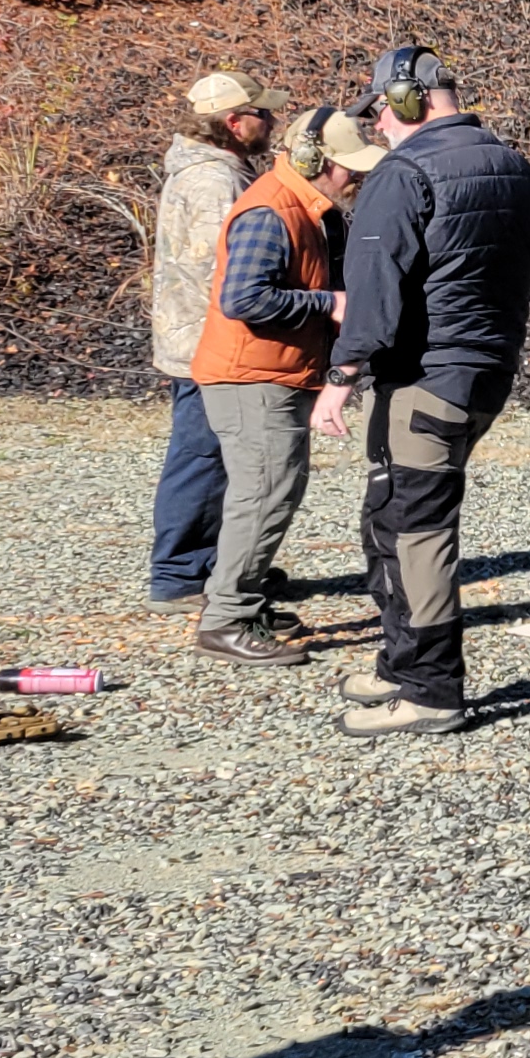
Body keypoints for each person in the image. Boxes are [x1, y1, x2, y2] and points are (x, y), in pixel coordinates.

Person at [316, 48, 530, 737]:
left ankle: (429, 689)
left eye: (381, 114)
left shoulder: (405, 171)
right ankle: (400, 664)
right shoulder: (514, 165)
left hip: (425, 378)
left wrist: (341, 375)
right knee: (393, 511)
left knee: (411, 528)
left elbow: (373, 285)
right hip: (486, 371)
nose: (378, 129)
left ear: (407, 100)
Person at [186, 107, 387, 665]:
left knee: (273, 491)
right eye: (347, 167)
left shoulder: (307, 208)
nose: (355, 177)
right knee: (265, 495)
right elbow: (244, 300)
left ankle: (240, 602)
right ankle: (226, 619)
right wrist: (331, 303)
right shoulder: (270, 212)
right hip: (251, 375)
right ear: (312, 161)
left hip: (273, 371)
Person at [148, 69, 282, 608]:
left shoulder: (213, 171)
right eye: (262, 114)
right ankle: (180, 573)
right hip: (209, 344)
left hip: (200, 337)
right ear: (233, 123)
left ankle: (209, 565)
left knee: (216, 456)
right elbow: (225, 274)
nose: (270, 121)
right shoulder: (215, 182)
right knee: (201, 457)